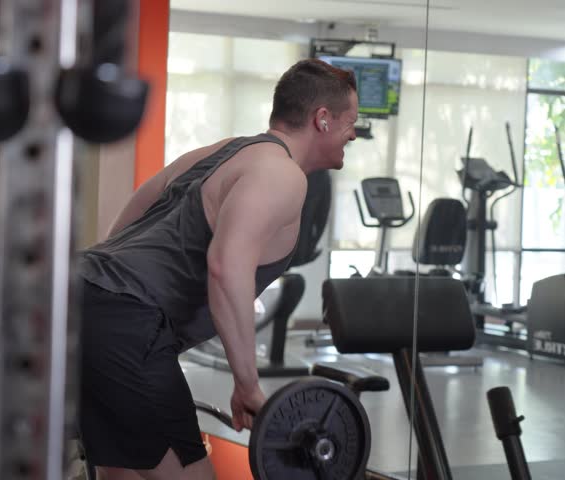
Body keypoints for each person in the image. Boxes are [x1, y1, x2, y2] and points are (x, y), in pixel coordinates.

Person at [77, 58, 358, 480]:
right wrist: (247, 384)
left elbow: (134, 216)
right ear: (322, 119)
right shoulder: (284, 175)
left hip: (79, 295)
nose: (354, 133)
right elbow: (227, 267)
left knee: (124, 472)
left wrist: (101, 298)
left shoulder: (223, 152)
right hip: (126, 324)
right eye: (350, 121)